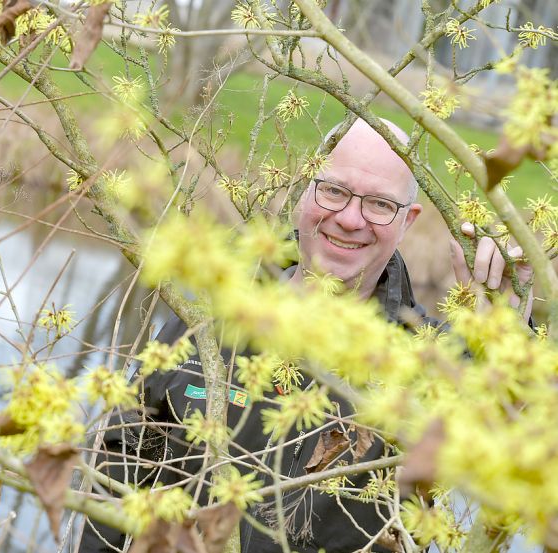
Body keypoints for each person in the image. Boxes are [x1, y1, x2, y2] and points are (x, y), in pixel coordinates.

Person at [78, 118, 532, 552]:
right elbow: (116, 482)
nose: (351, 219)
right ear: (304, 189)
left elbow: (524, 453)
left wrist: (507, 324)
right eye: (334, 191)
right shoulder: (210, 319)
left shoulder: (432, 363)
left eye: (379, 204)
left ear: (407, 220)